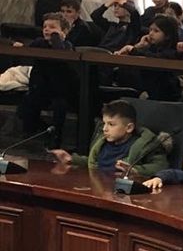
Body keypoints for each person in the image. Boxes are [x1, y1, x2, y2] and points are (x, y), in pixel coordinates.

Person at [51, 99, 169, 176]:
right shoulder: (102, 143)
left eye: (111, 124)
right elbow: (97, 164)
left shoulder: (145, 145)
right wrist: (72, 159)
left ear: (129, 128)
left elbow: (161, 167)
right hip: (99, 189)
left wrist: (135, 170)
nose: (104, 129)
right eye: (104, 123)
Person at [14, 12, 77, 142]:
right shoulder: (39, 42)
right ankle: (32, 133)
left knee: (60, 106)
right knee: (26, 104)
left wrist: (56, 38)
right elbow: (27, 52)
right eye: (45, 27)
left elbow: (60, 54)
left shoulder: (67, 46)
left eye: (52, 27)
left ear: (64, 31)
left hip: (59, 91)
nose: (47, 29)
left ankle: (55, 136)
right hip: (39, 87)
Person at [116, 12, 183, 101]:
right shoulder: (150, 48)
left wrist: (133, 50)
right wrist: (139, 46)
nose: (151, 34)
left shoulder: (172, 52)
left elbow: (156, 59)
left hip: (163, 94)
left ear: (167, 36)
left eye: (156, 31)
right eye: (150, 30)